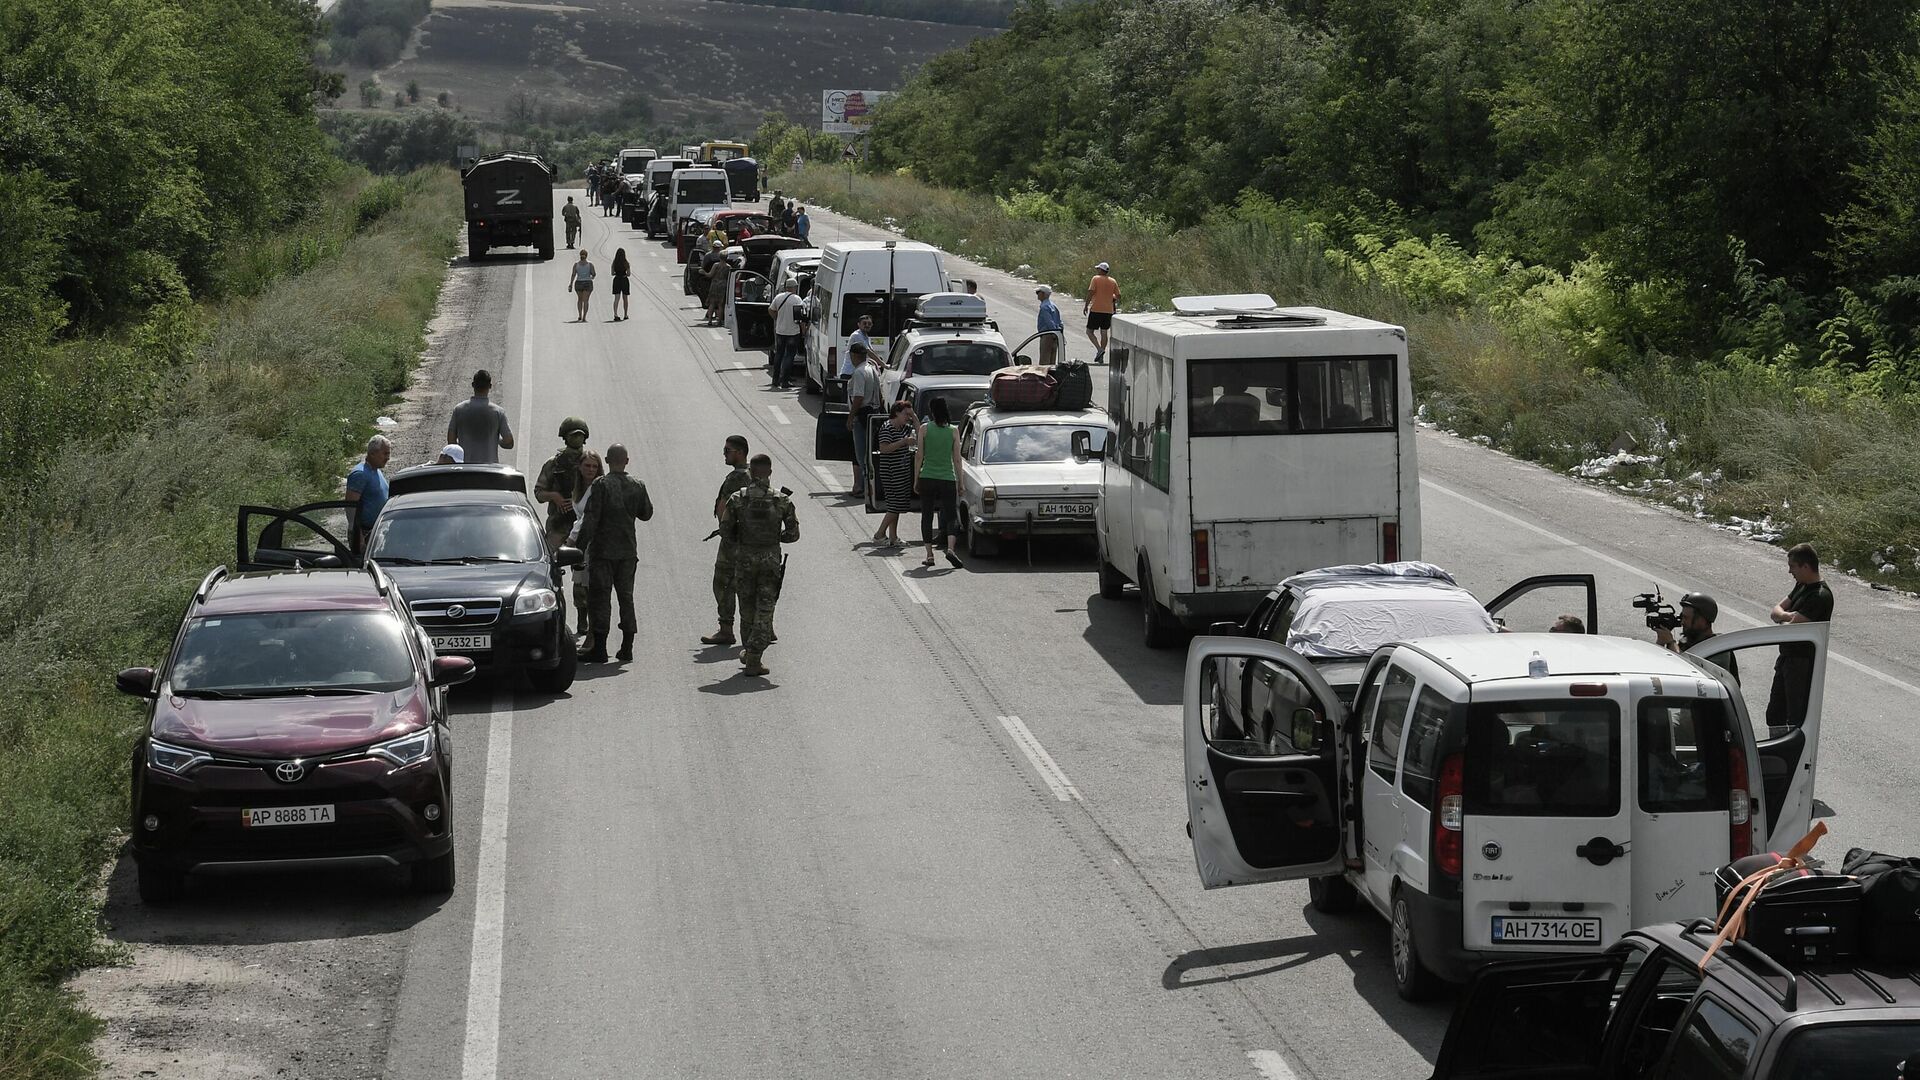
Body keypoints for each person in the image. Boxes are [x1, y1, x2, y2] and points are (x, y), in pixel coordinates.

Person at [718, 453, 799, 677]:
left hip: (744, 560)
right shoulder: (782, 500)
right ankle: (754, 657)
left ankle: (749, 651)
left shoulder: (737, 498)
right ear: (770, 472)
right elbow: (793, 535)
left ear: (751, 472)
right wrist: (774, 537)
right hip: (770, 560)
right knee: (765, 610)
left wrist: (744, 539)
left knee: (746, 609)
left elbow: (725, 531)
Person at [575, 442, 654, 664]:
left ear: (607, 461)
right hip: (628, 553)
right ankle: (627, 647)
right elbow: (646, 513)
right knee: (626, 598)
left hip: (603, 553)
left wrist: (578, 550)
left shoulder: (601, 485)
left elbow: (590, 521)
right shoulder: (637, 485)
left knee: (600, 598)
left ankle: (599, 649)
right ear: (626, 461)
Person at [1766, 543, 1833, 729]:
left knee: (1796, 717)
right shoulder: (1801, 586)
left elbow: (1793, 625)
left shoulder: (1820, 596)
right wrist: (1787, 616)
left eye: (1792, 566)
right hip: (1787, 659)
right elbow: (1776, 611)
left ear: (1805, 566)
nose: (1790, 571)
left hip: (1802, 664)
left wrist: (1786, 618)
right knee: (1774, 714)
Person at [702, 435, 753, 646]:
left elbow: (724, 507)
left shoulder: (735, 478)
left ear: (740, 452)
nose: (724, 454)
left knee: (723, 582)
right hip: (751, 539)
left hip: (733, 539)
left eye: (727, 450)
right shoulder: (754, 473)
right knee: (751, 583)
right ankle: (764, 628)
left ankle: (726, 629)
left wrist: (724, 529)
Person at [915, 395, 963, 568]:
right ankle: (950, 549)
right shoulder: (953, 430)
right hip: (947, 477)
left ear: (932, 412)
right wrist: (961, 482)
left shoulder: (924, 429)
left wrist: (916, 479)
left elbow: (919, 455)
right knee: (951, 516)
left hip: (927, 476)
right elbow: (957, 459)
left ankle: (929, 555)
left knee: (926, 516)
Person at [562, 449, 603, 638]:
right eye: (587, 465)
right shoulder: (577, 487)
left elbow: (586, 518)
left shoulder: (597, 487)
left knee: (589, 584)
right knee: (578, 581)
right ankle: (581, 619)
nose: (591, 469)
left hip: (591, 541)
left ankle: (593, 626)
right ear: (579, 467)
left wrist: (571, 540)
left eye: (595, 466)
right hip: (579, 541)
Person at [534, 417, 591, 550]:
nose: (577, 438)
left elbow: (600, 492)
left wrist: (577, 502)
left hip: (583, 524)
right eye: (573, 435)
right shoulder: (553, 463)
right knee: (550, 562)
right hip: (558, 524)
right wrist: (554, 496)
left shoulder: (590, 463)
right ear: (565, 437)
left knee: (584, 567)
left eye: (580, 435)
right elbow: (538, 493)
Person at [1654, 592, 1736, 680]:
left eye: (1686, 618)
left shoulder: (1718, 648)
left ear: (1702, 621)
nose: (1682, 622)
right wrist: (1660, 643)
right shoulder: (1686, 642)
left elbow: (1690, 671)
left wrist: (1671, 643)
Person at [447, 369, 514, 465]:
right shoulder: (498, 412)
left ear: (473, 385)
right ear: (490, 386)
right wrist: (496, 439)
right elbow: (509, 442)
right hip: (489, 470)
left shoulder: (459, 409)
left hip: (465, 468)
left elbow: (451, 441)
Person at [874, 400, 917, 546]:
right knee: (895, 505)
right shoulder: (887, 427)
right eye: (905, 414)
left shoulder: (904, 427)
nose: (907, 417)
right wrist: (903, 442)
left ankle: (893, 537)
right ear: (897, 413)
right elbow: (884, 448)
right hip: (891, 471)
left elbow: (919, 431)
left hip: (902, 471)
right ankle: (880, 534)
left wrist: (914, 416)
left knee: (897, 505)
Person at [845, 343, 883, 499]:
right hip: (873, 413)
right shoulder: (872, 368)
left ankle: (868, 489)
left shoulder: (860, 372)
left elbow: (858, 397)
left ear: (854, 355)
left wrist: (851, 417)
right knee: (870, 452)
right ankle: (869, 488)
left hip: (862, 415)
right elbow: (880, 395)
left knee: (862, 455)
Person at [344, 434, 391, 556]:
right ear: (372, 453)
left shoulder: (376, 470)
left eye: (388, 454)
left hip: (376, 532)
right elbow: (351, 508)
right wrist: (358, 537)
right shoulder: (360, 474)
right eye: (385, 454)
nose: (388, 458)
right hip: (365, 534)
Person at [768, 280, 806, 389]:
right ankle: (785, 380)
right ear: (794, 287)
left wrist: (777, 318)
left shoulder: (779, 297)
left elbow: (770, 309)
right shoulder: (797, 299)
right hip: (793, 332)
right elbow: (801, 316)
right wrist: (803, 330)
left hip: (780, 331)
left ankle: (775, 380)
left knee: (779, 354)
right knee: (789, 355)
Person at [1083, 261, 1120, 362]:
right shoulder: (1113, 281)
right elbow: (1118, 295)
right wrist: (1112, 298)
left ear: (1101, 270)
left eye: (1098, 269)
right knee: (1104, 332)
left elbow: (1090, 292)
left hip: (1096, 309)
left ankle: (1099, 349)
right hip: (1108, 310)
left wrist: (1086, 305)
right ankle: (1101, 355)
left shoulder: (1095, 279)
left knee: (1089, 331)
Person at [1036, 285, 1063, 365]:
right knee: (1052, 361)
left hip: (1047, 334)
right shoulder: (1053, 305)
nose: (1037, 294)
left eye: (1038, 292)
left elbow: (1049, 322)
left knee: (1044, 362)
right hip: (1056, 335)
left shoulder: (1044, 307)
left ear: (1043, 294)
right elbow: (1059, 321)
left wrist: (1053, 333)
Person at [567, 249, 596, 323]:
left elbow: (573, 274)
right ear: (586, 256)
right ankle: (584, 317)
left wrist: (570, 284)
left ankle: (579, 315)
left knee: (580, 299)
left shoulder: (576, 264)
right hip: (587, 283)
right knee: (586, 300)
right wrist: (591, 276)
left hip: (578, 283)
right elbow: (593, 273)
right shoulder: (590, 264)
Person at [843, 313, 874, 378]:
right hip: (850, 372)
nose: (867, 325)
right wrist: (883, 365)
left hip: (859, 372)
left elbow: (872, 351)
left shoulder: (866, 336)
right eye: (864, 323)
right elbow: (869, 352)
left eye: (869, 324)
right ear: (859, 324)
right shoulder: (857, 335)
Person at [609, 248, 631, 322]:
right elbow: (629, 274)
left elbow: (612, 273)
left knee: (616, 299)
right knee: (625, 298)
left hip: (617, 279)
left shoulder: (614, 262)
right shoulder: (626, 262)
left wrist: (616, 273)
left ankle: (615, 314)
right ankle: (625, 314)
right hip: (624, 280)